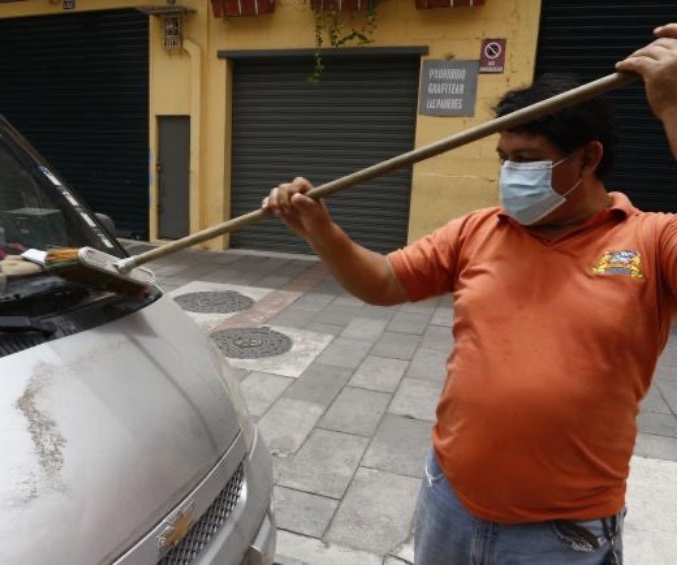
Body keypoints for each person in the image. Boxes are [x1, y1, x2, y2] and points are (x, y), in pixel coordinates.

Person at [261, 24, 677, 565]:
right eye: (503, 157)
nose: (510, 174)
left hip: (560, 534)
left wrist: (671, 108)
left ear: (588, 159)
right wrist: (320, 229)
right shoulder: (479, 230)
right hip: (449, 504)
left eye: (526, 158)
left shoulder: (650, 240)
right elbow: (385, 282)